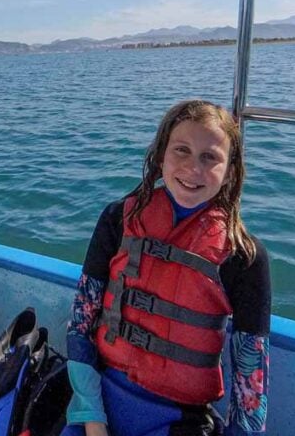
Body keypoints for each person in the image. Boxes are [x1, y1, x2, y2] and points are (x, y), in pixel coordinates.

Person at [64, 100, 271, 436]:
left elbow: (250, 381)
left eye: (210, 157)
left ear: (230, 170)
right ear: (161, 156)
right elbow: (80, 325)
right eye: (182, 151)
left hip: (179, 420)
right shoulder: (117, 220)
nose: (193, 168)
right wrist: (92, 419)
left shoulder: (244, 257)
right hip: (96, 401)